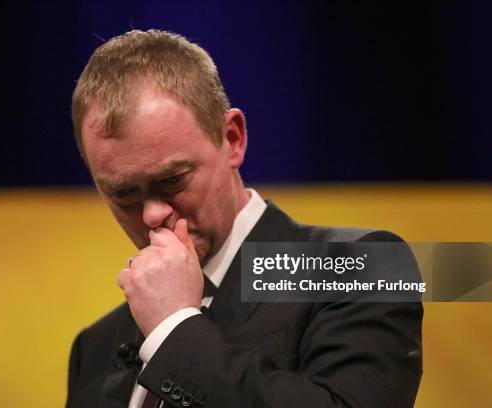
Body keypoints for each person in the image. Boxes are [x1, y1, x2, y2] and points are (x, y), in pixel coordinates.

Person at [66, 29, 422, 408]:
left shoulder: (364, 268)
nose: (152, 214)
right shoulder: (95, 346)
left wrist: (174, 329)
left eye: (172, 180)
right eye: (122, 193)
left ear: (232, 138)